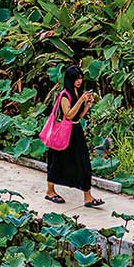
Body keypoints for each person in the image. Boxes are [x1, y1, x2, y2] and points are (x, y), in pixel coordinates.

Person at [43, 64, 105, 207]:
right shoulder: (65, 95)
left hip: (76, 131)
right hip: (64, 133)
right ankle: (50, 191)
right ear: (70, 80)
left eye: (81, 78)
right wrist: (81, 100)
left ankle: (88, 197)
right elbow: (69, 115)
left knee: (84, 162)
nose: (79, 81)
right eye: (76, 79)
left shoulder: (78, 93)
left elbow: (78, 116)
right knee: (56, 161)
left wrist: (87, 104)